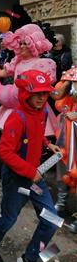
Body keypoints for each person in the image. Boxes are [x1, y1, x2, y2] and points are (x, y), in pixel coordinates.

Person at [0, 70, 61, 262]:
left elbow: (36, 135)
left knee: (52, 220)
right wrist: (30, 172)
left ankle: (29, 259)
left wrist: (48, 144)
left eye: (44, 93)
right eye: (36, 93)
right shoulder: (16, 118)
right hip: (17, 180)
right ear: (25, 93)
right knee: (9, 218)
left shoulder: (43, 112)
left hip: (36, 179)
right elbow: (4, 151)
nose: (41, 97)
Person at [0, 24, 57, 136]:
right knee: (11, 137)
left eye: (25, 43)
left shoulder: (42, 63)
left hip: (33, 108)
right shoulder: (17, 61)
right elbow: (0, 73)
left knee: (31, 138)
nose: (21, 46)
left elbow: (43, 87)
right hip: (14, 106)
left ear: (34, 44)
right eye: (20, 43)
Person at [51, 66, 77, 233]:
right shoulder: (72, 73)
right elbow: (55, 96)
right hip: (67, 133)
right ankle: (61, 203)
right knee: (63, 166)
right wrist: (68, 80)